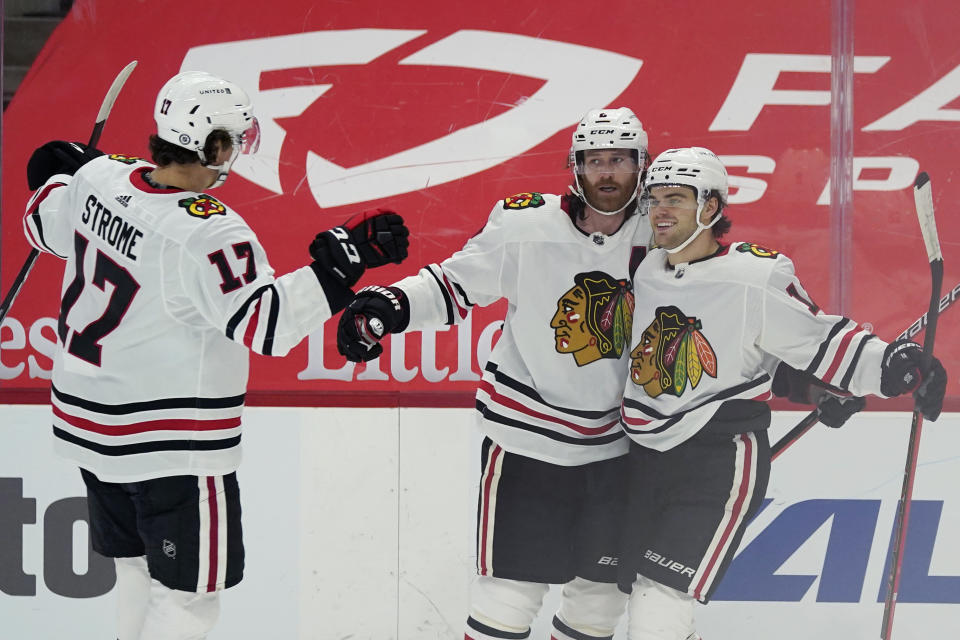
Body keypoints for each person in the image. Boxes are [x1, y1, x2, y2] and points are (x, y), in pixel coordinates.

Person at [21, 70, 409, 640]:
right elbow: (267, 325)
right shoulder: (209, 231)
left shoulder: (97, 179)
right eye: (234, 139)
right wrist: (340, 268)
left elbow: (42, 222)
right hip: (167, 444)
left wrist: (58, 171)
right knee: (187, 601)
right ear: (215, 144)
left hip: (87, 426)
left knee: (135, 573)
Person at [337, 108, 651, 640]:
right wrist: (388, 307)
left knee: (599, 604)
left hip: (618, 450)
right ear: (574, 167)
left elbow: (718, 301)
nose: (606, 172)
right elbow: (454, 285)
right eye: (594, 160)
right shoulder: (525, 223)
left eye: (618, 160)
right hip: (528, 442)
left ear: (641, 164)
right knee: (510, 595)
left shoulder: (666, 231)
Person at [617, 146, 947, 640]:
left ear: (710, 208)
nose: (660, 210)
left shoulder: (754, 277)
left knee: (656, 610)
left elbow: (819, 340)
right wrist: (817, 390)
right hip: (639, 456)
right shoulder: (643, 265)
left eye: (677, 199)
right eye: (655, 198)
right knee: (617, 599)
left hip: (715, 461)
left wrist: (895, 366)